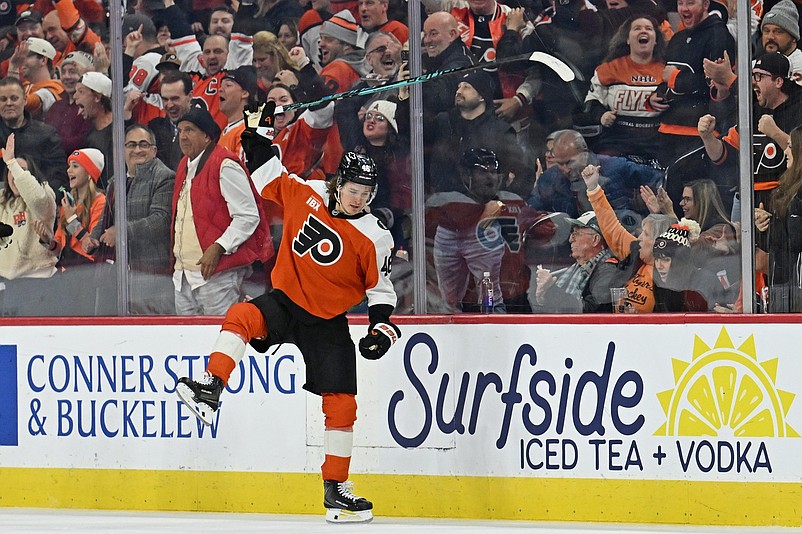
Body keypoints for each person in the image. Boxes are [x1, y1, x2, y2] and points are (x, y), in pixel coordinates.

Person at [176, 103, 400, 524]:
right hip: (286, 300)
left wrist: (379, 327)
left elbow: (380, 290)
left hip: (327, 322)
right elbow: (264, 173)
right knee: (242, 316)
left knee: (342, 406)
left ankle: (336, 489)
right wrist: (257, 130)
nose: (358, 199)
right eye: (353, 189)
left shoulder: (374, 235)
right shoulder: (307, 190)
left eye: (365, 194)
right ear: (338, 184)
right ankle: (210, 387)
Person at [171, 108, 273, 315]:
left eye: (189, 130)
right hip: (183, 276)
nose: (182, 136)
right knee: (186, 343)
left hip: (218, 275)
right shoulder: (184, 164)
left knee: (222, 338)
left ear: (207, 136)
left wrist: (219, 246)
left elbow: (248, 215)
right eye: (180, 130)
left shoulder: (225, 164)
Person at [89, 125, 176, 315]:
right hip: (116, 276)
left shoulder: (164, 177)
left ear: (154, 150)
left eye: (143, 144)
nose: (137, 150)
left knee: (150, 335)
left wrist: (121, 231)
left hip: (150, 276)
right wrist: (94, 237)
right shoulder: (116, 181)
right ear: (122, 150)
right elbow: (106, 217)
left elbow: (160, 220)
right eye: (131, 145)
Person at [649, 0, 734, 167]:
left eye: (690, 3)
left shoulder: (718, 35)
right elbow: (666, 78)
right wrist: (655, 96)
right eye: (680, 3)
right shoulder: (678, 38)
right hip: (667, 129)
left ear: (706, 5)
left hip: (699, 132)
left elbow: (716, 83)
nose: (684, 8)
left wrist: (675, 78)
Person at [582, 162, 676, 312]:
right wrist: (593, 188)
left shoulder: (674, 271)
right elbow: (611, 227)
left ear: (659, 242)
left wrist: (642, 321)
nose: (639, 239)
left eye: (645, 234)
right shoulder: (635, 253)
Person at [582, 15, 666, 162]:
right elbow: (591, 103)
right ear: (627, 39)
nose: (643, 31)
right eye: (637, 28)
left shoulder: (667, 71)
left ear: (656, 39)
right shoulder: (608, 70)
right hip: (616, 143)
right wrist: (602, 116)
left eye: (648, 28)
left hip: (655, 145)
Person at [33, 148, 106, 315]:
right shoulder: (68, 202)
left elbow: (91, 246)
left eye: (75, 166)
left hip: (86, 277)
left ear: (89, 172)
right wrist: (47, 240)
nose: (68, 170)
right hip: (65, 277)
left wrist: (72, 220)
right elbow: (59, 248)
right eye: (69, 166)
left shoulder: (100, 202)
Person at [528, 129, 662, 217]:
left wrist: (650, 214)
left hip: (621, 235)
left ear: (584, 152)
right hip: (571, 245)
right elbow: (531, 210)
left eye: (569, 162)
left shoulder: (615, 167)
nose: (565, 169)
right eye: (560, 164)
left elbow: (658, 181)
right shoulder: (549, 178)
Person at [0, 133, 57, 315]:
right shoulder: (3, 201)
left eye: (22, 170)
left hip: (36, 286)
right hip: (6, 286)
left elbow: (36, 197)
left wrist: (12, 164)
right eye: (11, 171)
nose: (15, 175)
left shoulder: (44, 196)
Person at [533, 211, 623, 313]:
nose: (571, 239)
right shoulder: (574, 269)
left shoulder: (608, 272)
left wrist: (551, 291)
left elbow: (589, 312)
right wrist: (543, 297)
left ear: (595, 240)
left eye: (576, 233)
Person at [755, 125, 802, 312]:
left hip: (795, 285)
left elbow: (796, 240)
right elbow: (773, 245)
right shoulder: (787, 189)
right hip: (782, 282)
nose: (786, 151)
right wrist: (764, 226)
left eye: (790, 147)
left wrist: (773, 225)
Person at [0, 77, 67, 197]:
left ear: (25, 100)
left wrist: (45, 200)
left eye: (14, 98)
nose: (9, 103)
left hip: (37, 206)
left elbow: (59, 177)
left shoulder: (46, 135)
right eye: (3, 99)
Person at [421, 11, 476, 115]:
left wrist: (418, 78)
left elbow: (437, 101)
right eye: (425, 34)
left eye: (433, 34)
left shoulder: (461, 63)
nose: (427, 40)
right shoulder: (433, 58)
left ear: (452, 35)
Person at [44, 51, 93, 156]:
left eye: (72, 71)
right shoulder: (56, 105)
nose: (66, 76)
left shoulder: (91, 106)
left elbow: (82, 141)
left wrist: (49, 141)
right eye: (63, 72)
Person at [73, 72, 113, 189]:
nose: (75, 96)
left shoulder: (121, 131)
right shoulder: (87, 134)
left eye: (81, 91)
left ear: (97, 97)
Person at [761, 0, 802, 83]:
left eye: (778, 32)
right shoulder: (754, 65)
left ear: (793, 37)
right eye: (766, 31)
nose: (770, 37)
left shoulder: (800, 65)